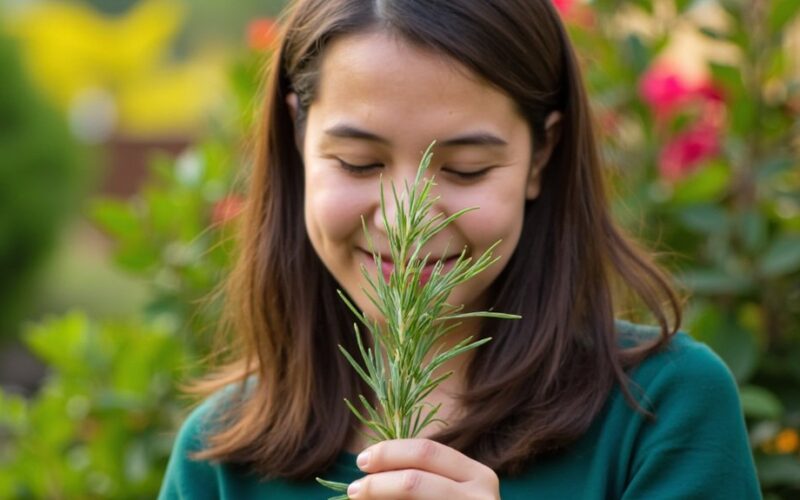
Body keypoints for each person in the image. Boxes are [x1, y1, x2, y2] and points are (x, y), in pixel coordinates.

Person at [159, 0, 761, 498]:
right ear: (297, 137)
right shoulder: (218, 455)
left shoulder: (665, 411)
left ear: (540, 156)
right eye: (358, 162)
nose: (403, 221)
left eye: (467, 168)